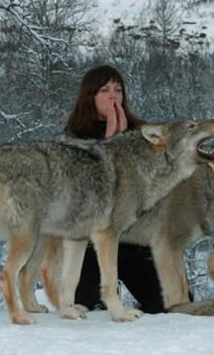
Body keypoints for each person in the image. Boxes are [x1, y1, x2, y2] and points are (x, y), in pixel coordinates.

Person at [65, 64, 165, 314]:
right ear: (90, 97)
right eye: (105, 90)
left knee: (167, 306)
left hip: (135, 239)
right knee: (85, 306)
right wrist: (109, 146)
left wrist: (125, 145)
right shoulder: (73, 138)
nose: (113, 96)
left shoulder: (143, 133)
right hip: (91, 242)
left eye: (118, 89)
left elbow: (150, 188)